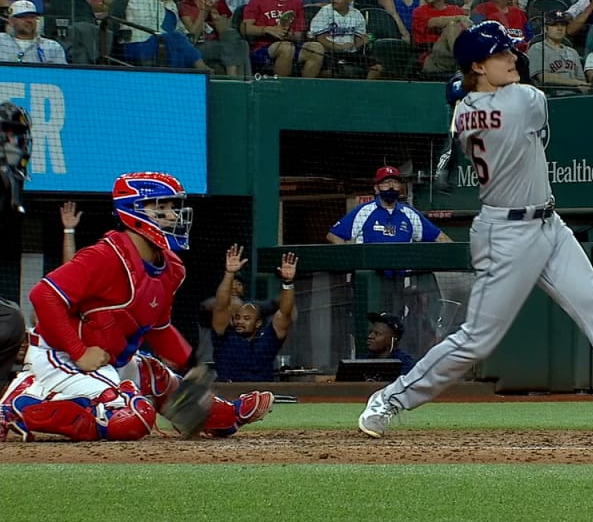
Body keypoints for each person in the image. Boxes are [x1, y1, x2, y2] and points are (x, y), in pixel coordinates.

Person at [356, 21, 593, 439]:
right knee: (477, 340)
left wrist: (466, 87)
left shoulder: (465, 112)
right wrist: (471, 85)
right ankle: (389, 399)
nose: (513, 58)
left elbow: (477, 96)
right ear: (479, 66)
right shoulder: (523, 100)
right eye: (501, 54)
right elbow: (520, 100)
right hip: (507, 235)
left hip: (549, 225)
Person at [0, 172, 274, 442]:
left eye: (173, 207)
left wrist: (191, 365)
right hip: (62, 358)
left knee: (158, 378)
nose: (173, 215)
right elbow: (43, 296)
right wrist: (79, 352)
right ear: (134, 212)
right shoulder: (104, 256)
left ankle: (225, 414)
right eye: (162, 207)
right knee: (134, 418)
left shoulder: (171, 268)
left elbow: (160, 328)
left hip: (110, 358)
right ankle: (21, 404)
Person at [210, 244, 297, 382]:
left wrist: (287, 282)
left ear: (258, 323)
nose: (240, 321)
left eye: (246, 318)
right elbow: (221, 306)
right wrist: (229, 273)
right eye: (237, 317)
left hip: (262, 395)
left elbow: (285, 313)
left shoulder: (268, 339)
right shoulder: (224, 337)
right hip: (230, 395)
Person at [326, 166, 451, 243]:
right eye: (386, 183)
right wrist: (353, 259)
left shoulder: (409, 214)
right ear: (376, 188)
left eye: (394, 182)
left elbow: (440, 237)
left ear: (400, 187)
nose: (391, 186)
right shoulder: (364, 211)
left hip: (401, 277)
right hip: (371, 276)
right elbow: (333, 235)